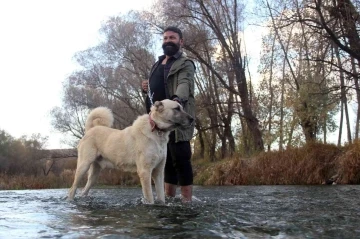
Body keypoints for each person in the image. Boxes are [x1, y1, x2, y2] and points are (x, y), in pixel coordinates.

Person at [141, 26, 195, 202]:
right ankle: (169, 201)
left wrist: (178, 101)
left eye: (172, 38)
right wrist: (145, 88)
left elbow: (184, 83)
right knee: (166, 162)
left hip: (177, 119)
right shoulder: (157, 63)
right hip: (157, 124)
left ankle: (187, 203)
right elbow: (153, 88)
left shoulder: (185, 63)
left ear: (181, 41)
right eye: (165, 38)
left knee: (181, 159)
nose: (168, 41)